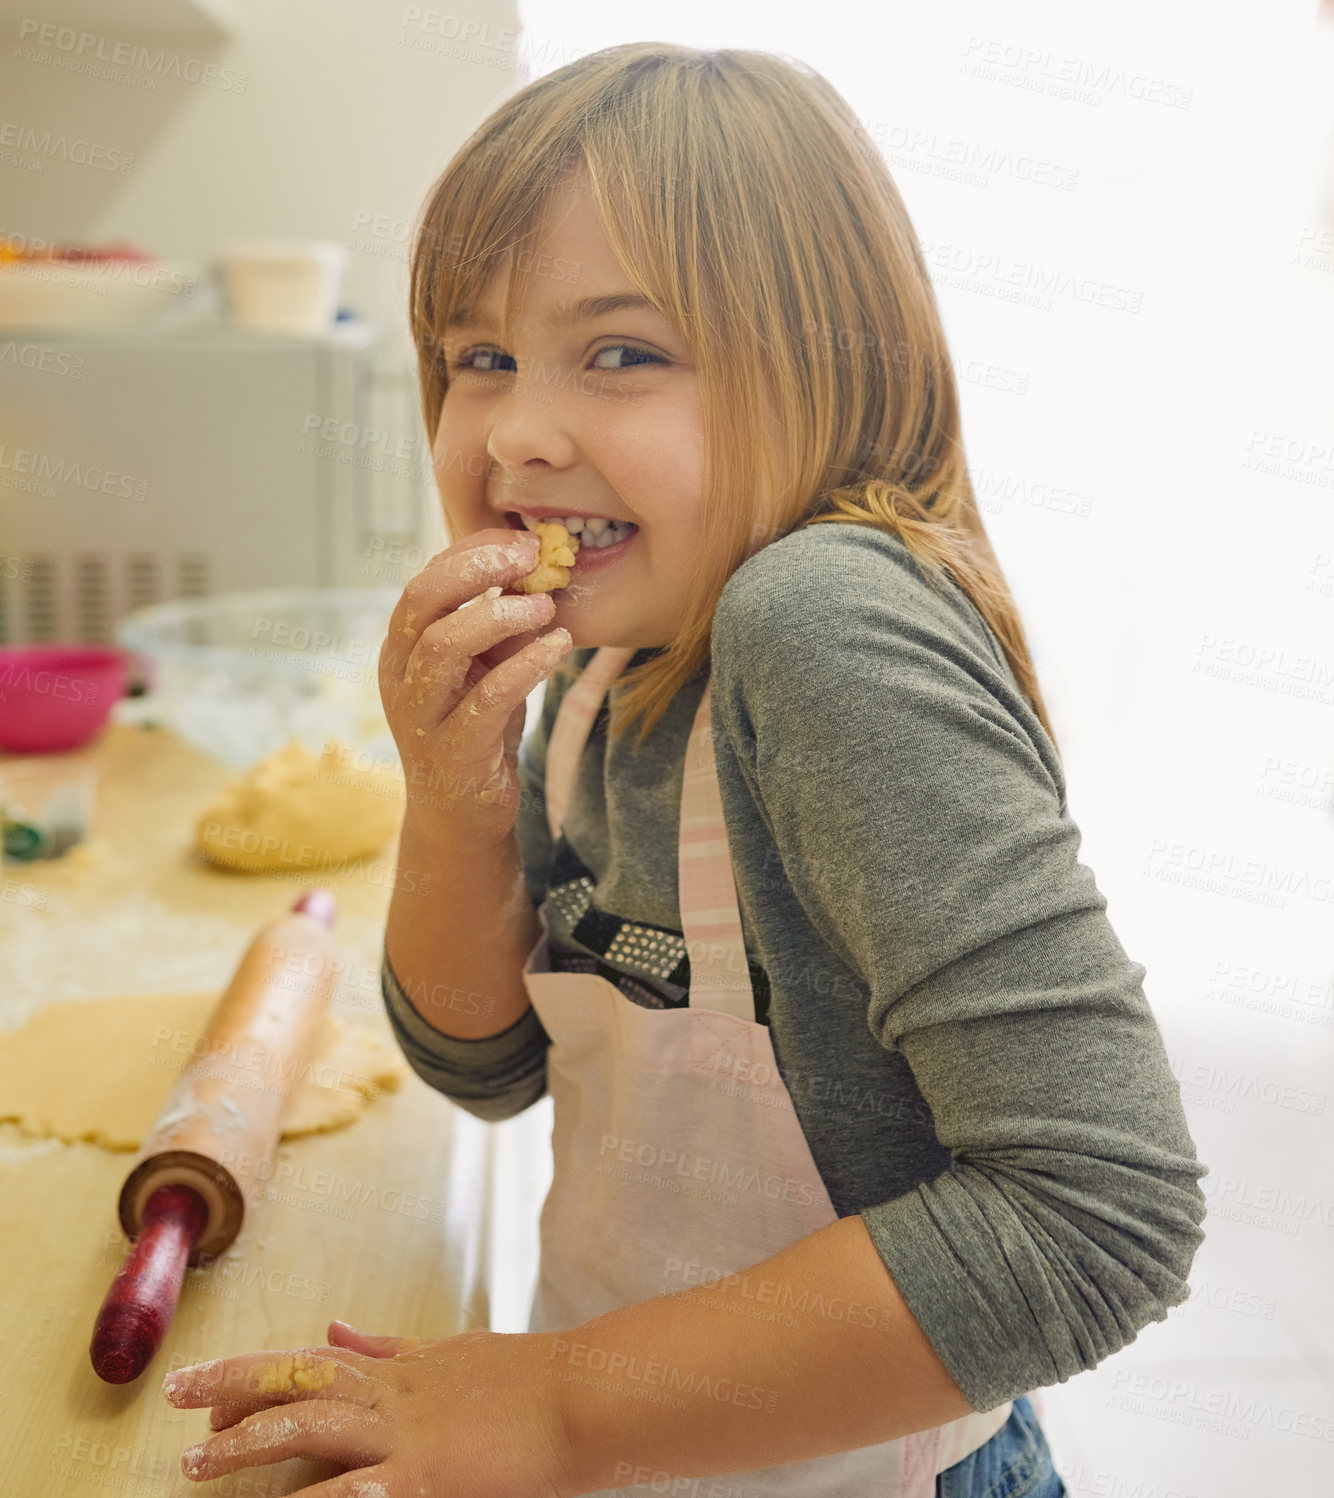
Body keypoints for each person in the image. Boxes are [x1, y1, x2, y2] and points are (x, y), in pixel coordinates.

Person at [163, 42, 1208, 1498]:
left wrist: (550, 1408)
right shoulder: (607, 660)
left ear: (829, 368)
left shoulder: (817, 623)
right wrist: (453, 802)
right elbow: (486, 1065)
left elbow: (1099, 1216)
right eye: (479, 357)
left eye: (622, 353)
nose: (517, 430)